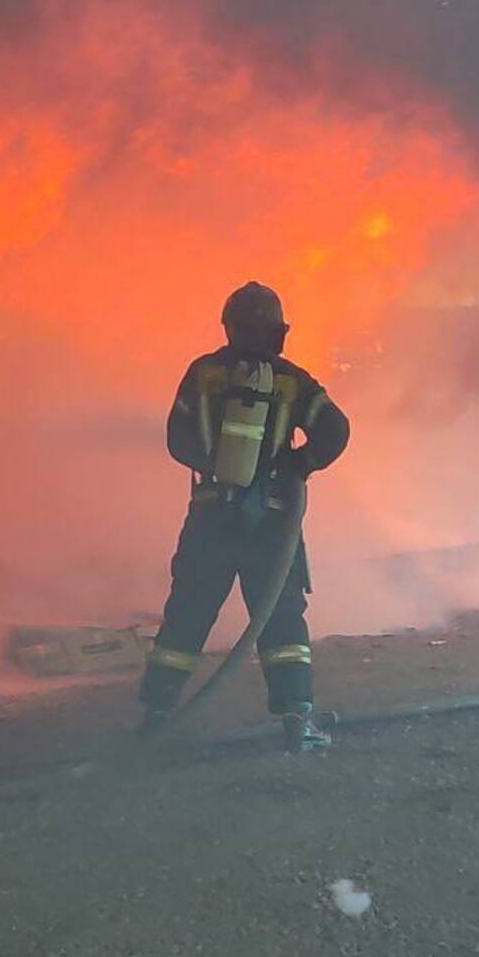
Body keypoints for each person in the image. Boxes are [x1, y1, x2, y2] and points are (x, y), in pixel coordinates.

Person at [139, 281, 351, 751]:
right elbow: (335, 430)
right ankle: (297, 719)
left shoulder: (203, 374)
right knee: (281, 623)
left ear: (228, 328)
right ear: (280, 332)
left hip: (211, 519)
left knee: (186, 618)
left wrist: (217, 468)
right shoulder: (293, 380)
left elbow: (178, 439)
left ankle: (156, 714)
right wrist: (297, 465)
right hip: (272, 526)